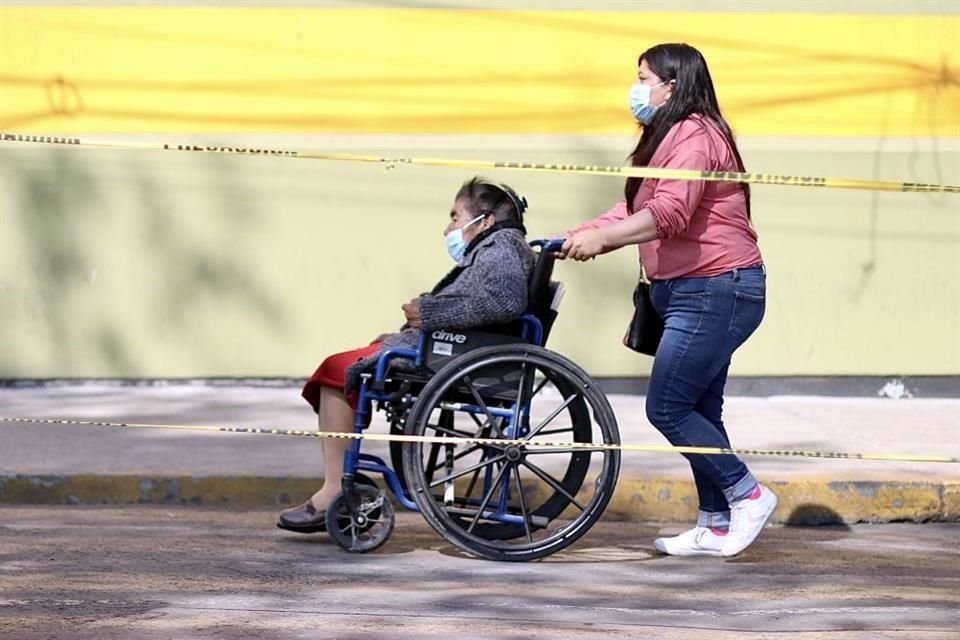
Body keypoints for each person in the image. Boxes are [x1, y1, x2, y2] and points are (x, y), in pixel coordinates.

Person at [560, 43, 777, 557]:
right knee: (701, 406)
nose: (636, 89)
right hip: (693, 290)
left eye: (642, 78)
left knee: (668, 405)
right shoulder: (669, 136)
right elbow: (634, 205)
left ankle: (748, 494)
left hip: (716, 287)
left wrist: (605, 241)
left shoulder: (695, 134)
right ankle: (716, 522)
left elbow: (670, 212)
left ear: (671, 85)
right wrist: (576, 234)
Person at [278, 177, 535, 533]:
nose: (448, 228)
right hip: (446, 346)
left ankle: (335, 489)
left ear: (486, 220)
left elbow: (504, 303)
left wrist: (429, 315)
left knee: (336, 370)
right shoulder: (497, 249)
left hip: (454, 354)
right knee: (342, 364)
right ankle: (341, 480)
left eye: (456, 217)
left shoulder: (502, 249)